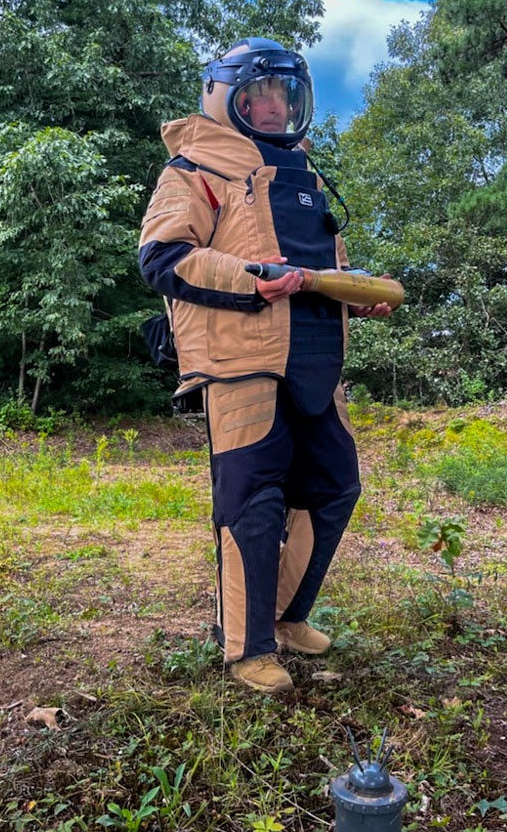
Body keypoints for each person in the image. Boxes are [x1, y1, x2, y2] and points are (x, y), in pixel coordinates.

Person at [139, 37, 392, 693]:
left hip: (315, 362)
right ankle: (245, 647)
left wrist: (352, 296)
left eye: (284, 95)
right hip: (240, 364)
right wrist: (254, 277)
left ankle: (284, 616)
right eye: (260, 95)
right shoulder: (195, 167)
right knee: (252, 502)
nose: (275, 108)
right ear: (229, 98)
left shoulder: (303, 178)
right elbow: (162, 257)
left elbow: (317, 275)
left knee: (335, 486)